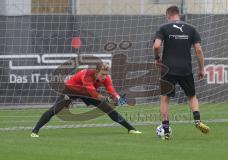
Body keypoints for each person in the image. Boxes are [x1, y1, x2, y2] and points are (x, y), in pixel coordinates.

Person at [31, 62, 141, 137]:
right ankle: (35, 131)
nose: (104, 77)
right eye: (102, 74)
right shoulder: (87, 76)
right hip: (71, 90)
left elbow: (111, 89)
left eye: (106, 74)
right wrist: (109, 99)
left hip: (86, 93)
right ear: (96, 71)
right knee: (55, 110)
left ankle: (130, 129)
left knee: (109, 109)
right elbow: (94, 94)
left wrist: (117, 98)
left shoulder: (106, 77)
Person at [153, 6, 210, 140]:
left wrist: (157, 59)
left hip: (168, 69)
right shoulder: (191, 28)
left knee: (165, 99)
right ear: (179, 15)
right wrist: (202, 68)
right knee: (191, 96)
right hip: (185, 69)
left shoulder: (164, 28)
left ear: (168, 16)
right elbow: (199, 51)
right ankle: (197, 120)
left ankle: (166, 129)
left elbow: (156, 46)